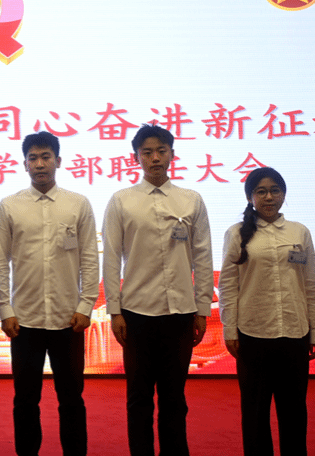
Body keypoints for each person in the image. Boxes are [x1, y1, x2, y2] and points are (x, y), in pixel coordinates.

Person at [102, 124, 213, 456]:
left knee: (174, 396)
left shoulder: (191, 200)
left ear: (172, 155)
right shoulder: (122, 201)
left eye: (161, 151)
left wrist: (202, 309)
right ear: (136, 157)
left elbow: (203, 256)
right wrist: (114, 311)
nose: (154, 158)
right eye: (147, 152)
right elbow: (111, 257)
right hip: (136, 313)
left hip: (180, 312)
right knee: (138, 397)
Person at [0, 132, 99, 456]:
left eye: (46, 157)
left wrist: (86, 304)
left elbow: (89, 258)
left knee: (71, 398)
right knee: (26, 399)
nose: (40, 164)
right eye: (33, 158)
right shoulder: (9, 206)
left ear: (58, 161)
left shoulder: (77, 204)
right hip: (24, 320)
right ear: (24, 164)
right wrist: (5, 309)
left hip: (69, 319)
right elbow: (0, 261)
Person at [218, 167, 315, 456]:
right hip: (253, 333)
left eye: (275, 190)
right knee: (255, 413)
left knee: (294, 412)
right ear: (250, 197)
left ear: (283, 194)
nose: (269, 197)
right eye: (261, 191)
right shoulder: (236, 233)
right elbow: (227, 285)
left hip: (294, 332)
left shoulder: (299, 232)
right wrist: (229, 329)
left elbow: (312, 283)